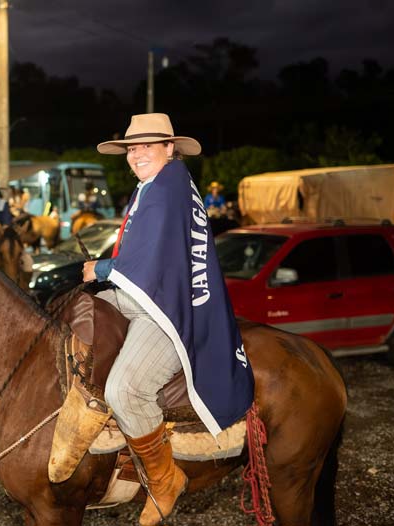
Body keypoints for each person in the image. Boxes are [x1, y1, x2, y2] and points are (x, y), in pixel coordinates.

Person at [71, 114, 253, 525]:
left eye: (147, 146)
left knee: (125, 390)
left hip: (168, 307)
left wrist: (101, 269)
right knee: (72, 320)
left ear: (170, 148)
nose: (137, 155)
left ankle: (164, 478)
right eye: (132, 148)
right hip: (150, 293)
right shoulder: (157, 185)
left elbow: (151, 262)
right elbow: (150, 254)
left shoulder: (168, 188)